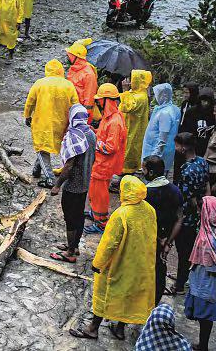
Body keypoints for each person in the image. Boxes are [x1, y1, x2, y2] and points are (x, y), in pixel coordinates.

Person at [71, 176, 158, 341]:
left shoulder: (121, 214)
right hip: (140, 263)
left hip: (118, 263)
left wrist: (98, 263)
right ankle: (119, 328)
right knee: (128, 294)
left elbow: (109, 243)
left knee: (104, 292)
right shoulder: (149, 210)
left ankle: (93, 328)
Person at [184, 197, 216, 351]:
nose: (198, 212)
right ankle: (203, 344)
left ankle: (203, 346)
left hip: (205, 282)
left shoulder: (208, 238)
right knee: (207, 317)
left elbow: (210, 266)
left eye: (200, 210)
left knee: (204, 317)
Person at [50, 104, 96, 263]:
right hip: (85, 182)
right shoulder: (91, 134)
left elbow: (69, 165)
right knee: (79, 215)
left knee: (70, 217)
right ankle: (74, 245)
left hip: (73, 185)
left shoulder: (74, 136)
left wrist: (57, 185)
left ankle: (70, 253)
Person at [24, 59, 80, 187]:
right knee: (43, 147)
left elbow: (30, 101)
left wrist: (27, 115)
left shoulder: (40, 83)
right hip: (61, 123)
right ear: (61, 70)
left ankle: (50, 179)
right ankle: (36, 170)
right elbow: (75, 105)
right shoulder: (68, 85)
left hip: (42, 123)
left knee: (41, 148)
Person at [170, 132, 210, 295]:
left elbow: (190, 198)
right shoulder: (203, 162)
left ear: (183, 148)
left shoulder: (187, 170)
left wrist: (193, 211)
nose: (175, 148)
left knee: (183, 251)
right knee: (189, 249)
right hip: (198, 213)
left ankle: (179, 285)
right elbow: (207, 185)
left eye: (177, 145)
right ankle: (184, 277)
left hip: (187, 217)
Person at [86, 84, 128, 234]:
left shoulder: (115, 121)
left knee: (99, 194)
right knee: (94, 191)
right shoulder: (109, 117)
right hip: (100, 163)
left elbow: (111, 147)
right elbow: (104, 134)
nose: (97, 102)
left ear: (107, 100)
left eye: (100, 100)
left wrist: (94, 142)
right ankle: (95, 213)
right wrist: (95, 131)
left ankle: (101, 222)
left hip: (104, 165)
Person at [142, 155, 183, 305]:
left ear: (151, 172)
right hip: (165, 239)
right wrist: (168, 243)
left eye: (144, 169)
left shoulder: (146, 193)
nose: (142, 172)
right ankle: (154, 303)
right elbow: (179, 219)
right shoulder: (175, 191)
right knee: (160, 272)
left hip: (148, 241)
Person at [120, 70, 154, 175]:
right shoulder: (136, 93)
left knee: (130, 150)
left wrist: (125, 90)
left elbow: (126, 107)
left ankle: (127, 171)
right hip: (128, 126)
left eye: (132, 79)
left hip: (134, 130)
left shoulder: (140, 97)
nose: (129, 82)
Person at [143, 84, 182, 174]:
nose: (155, 98)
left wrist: (154, 157)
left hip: (156, 153)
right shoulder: (172, 109)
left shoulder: (165, 113)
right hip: (163, 151)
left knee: (155, 177)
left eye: (157, 95)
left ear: (164, 95)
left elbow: (163, 139)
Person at [66, 39, 99, 121]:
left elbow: (90, 96)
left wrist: (85, 116)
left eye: (70, 55)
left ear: (76, 57)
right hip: (71, 107)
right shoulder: (73, 68)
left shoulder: (88, 74)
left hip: (81, 112)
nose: (68, 57)